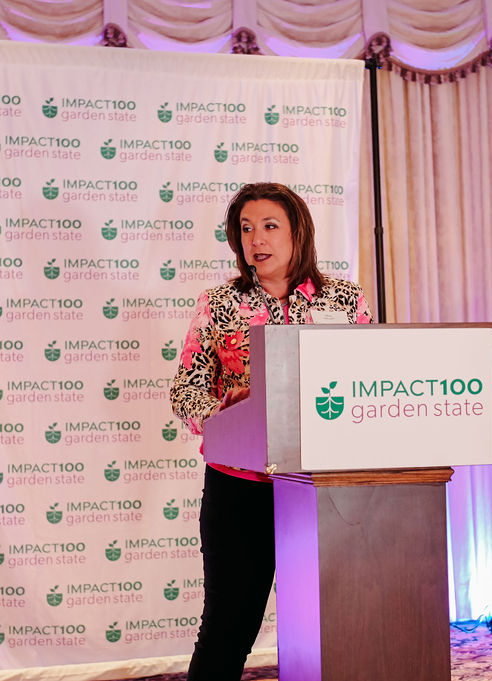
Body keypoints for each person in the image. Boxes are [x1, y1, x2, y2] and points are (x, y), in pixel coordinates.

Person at [170, 182, 373, 681]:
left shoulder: (344, 299)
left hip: (323, 487)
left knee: (337, 628)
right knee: (228, 627)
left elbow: (369, 380)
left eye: (268, 226)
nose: (255, 239)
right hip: (240, 486)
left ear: (297, 232)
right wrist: (223, 410)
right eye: (245, 229)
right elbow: (186, 389)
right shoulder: (219, 303)